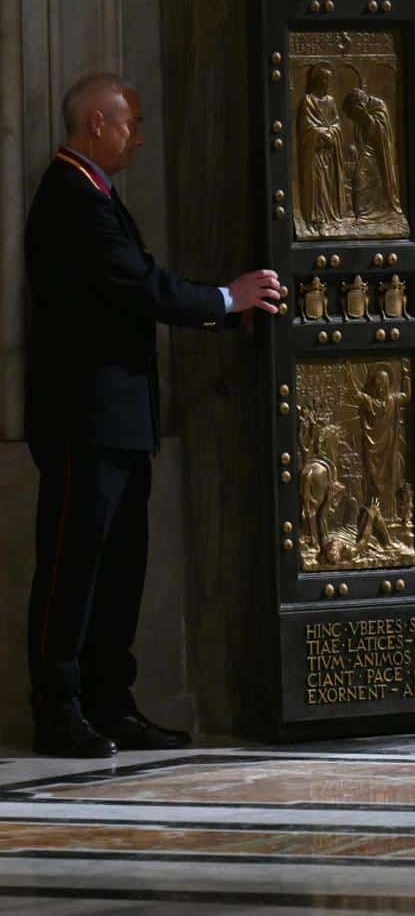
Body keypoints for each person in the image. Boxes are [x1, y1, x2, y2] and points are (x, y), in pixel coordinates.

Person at [25, 73, 283, 758]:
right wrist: (225, 299)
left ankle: (111, 702)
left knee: (119, 572)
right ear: (98, 124)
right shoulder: (70, 198)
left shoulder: (96, 194)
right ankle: (59, 708)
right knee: (72, 570)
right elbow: (138, 287)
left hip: (119, 422)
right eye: (131, 123)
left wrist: (225, 308)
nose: (139, 136)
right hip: (86, 423)